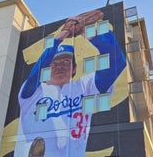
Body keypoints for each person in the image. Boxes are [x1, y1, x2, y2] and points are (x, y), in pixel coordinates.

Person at [15, 10, 126, 157]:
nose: (60, 65)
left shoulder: (85, 87)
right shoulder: (31, 92)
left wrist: (89, 32)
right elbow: (38, 69)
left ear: (74, 69)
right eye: (55, 62)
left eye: (66, 61)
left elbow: (117, 61)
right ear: (48, 66)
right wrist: (62, 35)